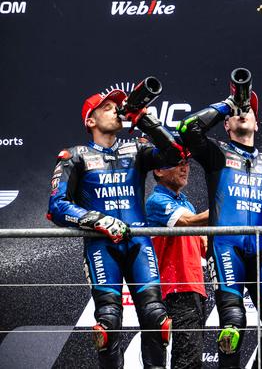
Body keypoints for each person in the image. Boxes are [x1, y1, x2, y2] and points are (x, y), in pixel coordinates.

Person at [48, 88, 186, 368]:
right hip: (102, 246)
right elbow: (56, 206)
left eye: (117, 106)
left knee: (156, 317)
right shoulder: (75, 156)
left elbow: (175, 155)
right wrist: (98, 220)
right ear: (90, 121)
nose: (116, 110)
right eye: (108, 107)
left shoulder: (137, 150)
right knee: (108, 323)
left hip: (139, 243)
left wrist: (144, 120)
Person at [178, 85, 262, 369]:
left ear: (257, 123)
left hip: (261, 251)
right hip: (225, 248)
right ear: (226, 124)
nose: (243, 113)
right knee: (233, 324)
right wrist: (229, 104)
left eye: (248, 110)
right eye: (237, 112)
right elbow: (187, 129)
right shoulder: (216, 153)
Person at [146, 161, 209, 369]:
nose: (185, 168)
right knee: (186, 361)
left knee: (191, 358)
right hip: (173, 288)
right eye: (178, 164)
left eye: (186, 164)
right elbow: (190, 222)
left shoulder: (186, 204)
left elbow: (204, 246)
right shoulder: (156, 200)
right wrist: (227, 205)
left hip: (193, 288)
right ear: (159, 170)